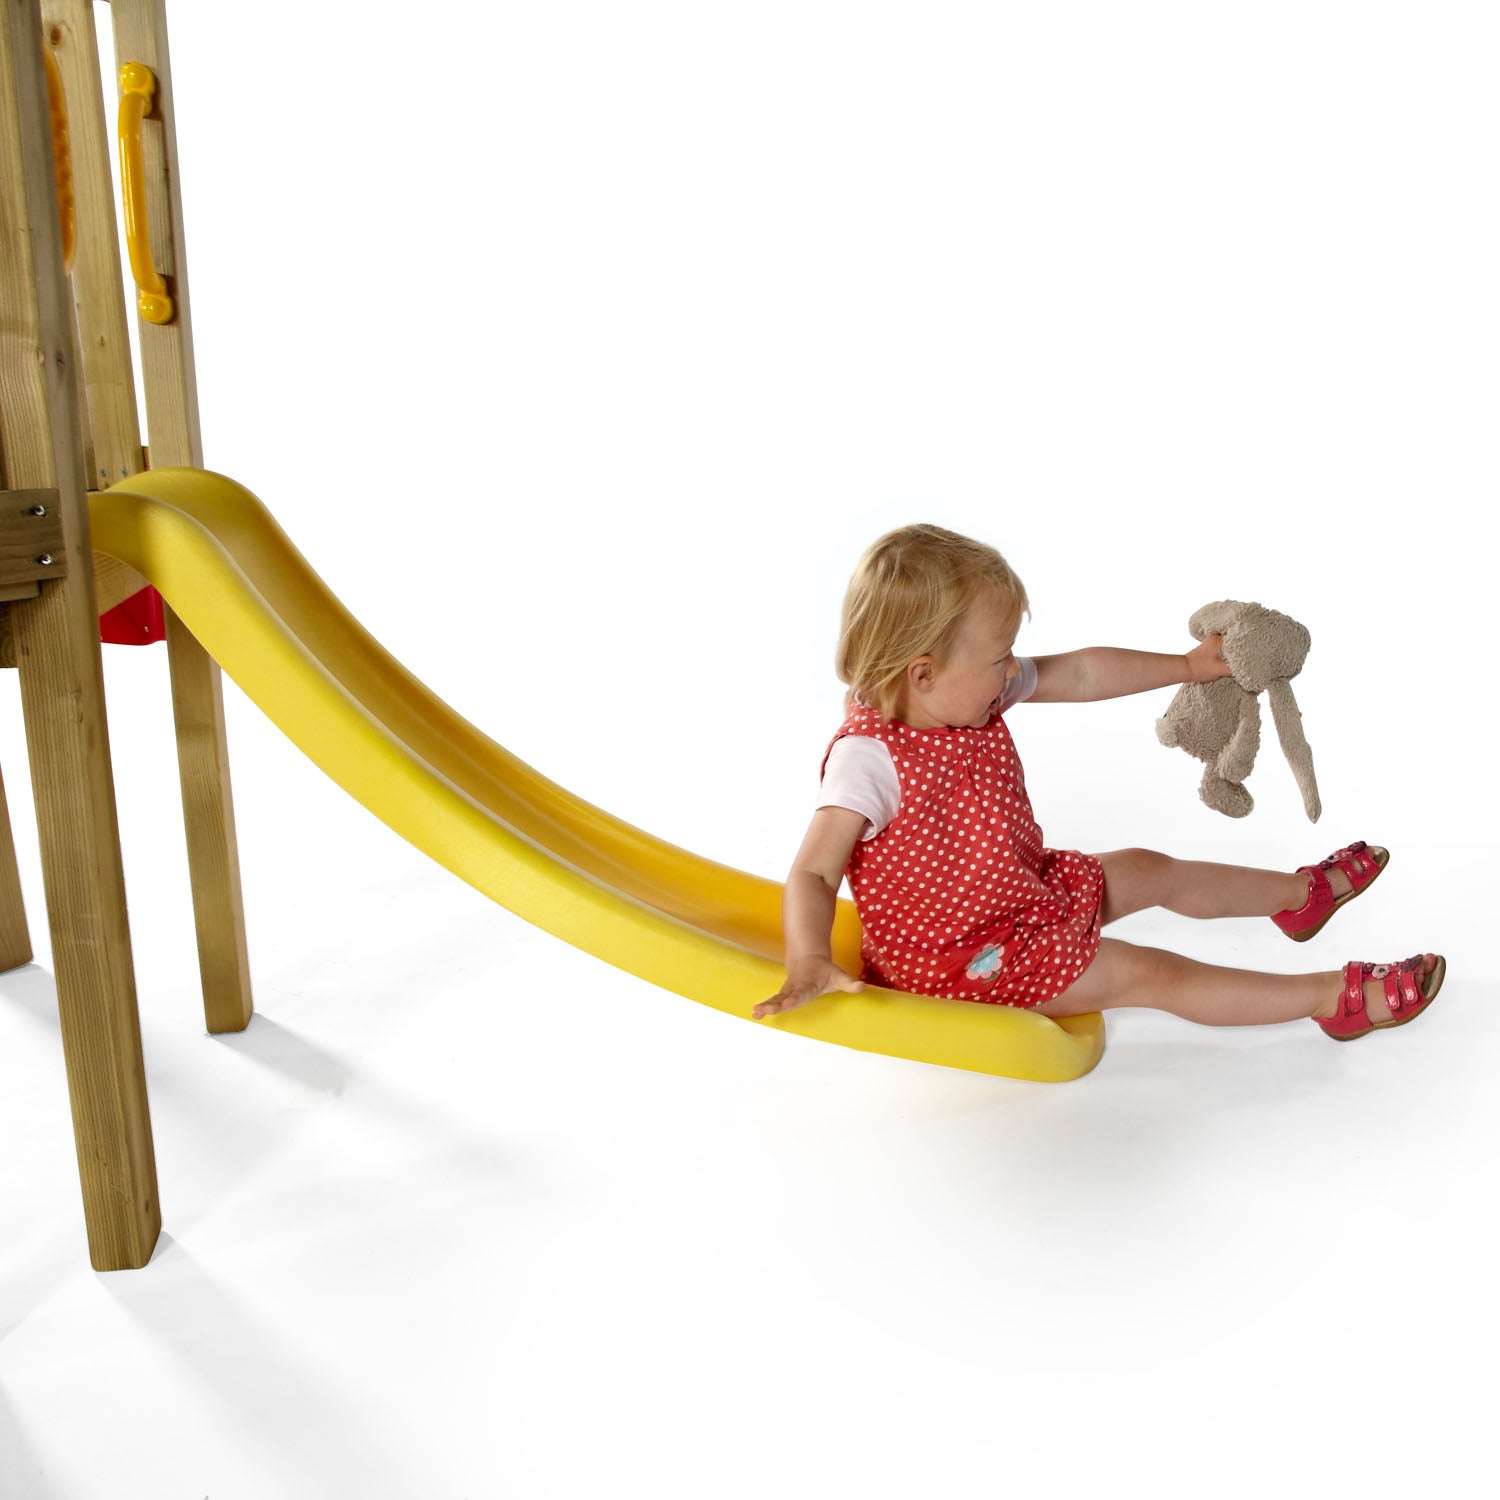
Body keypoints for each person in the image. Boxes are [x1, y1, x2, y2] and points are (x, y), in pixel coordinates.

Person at [753, 524, 1445, 1041]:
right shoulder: (869, 760)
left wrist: (1186, 667)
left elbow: (1081, 672)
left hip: (1020, 896)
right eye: (1000, 658)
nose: (1012, 671)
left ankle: (1299, 898)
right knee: (1153, 973)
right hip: (966, 964)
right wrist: (809, 958)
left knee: (1148, 868)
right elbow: (813, 872)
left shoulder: (961, 694)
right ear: (923, 673)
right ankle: (1332, 999)